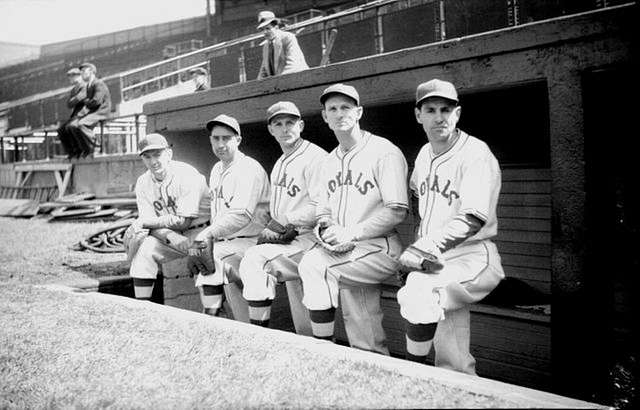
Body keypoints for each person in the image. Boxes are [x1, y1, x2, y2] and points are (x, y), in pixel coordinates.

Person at [396, 79, 504, 374]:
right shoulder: (423, 154)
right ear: (418, 115)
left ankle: (411, 376)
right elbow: (418, 196)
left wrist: (424, 247)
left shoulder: (475, 153)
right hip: (438, 258)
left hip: (474, 255)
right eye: (430, 109)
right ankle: (450, 384)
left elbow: (473, 218)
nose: (439, 116)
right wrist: (419, 245)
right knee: (452, 357)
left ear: (457, 113)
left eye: (446, 109)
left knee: (420, 292)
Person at [297, 84, 409, 354]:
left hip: (380, 247)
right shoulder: (328, 161)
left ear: (358, 112)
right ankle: (372, 361)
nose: (339, 113)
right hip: (347, 251)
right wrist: (326, 229)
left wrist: (351, 233)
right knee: (363, 325)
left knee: (314, 265)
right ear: (324, 117)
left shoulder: (384, 152)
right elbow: (322, 211)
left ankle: (321, 351)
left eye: (345, 107)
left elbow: (397, 210)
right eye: (332, 109)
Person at [239, 101, 327, 334]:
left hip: (313, 237)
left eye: (290, 123)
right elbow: (282, 205)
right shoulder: (280, 162)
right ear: (271, 130)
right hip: (290, 239)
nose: (285, 128)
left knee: (254, 260)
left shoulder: (316, 157)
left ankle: (258, 337)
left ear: (301, 125)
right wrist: (268, 216)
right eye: (278, 124)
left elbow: (322, 205)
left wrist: (282, 222)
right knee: (300, 307)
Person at [191, 114, 270, 319]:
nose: (220, 143)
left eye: (226, 138)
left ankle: (211, 325)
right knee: (241, 318)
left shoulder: (248, 168)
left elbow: (240, 216)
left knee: (212, 264)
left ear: (238, 140)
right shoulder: (217, 168)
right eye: (216, 138)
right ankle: (223, 322)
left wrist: (204, 236)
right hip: (228, 243)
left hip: (252, 242)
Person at [125, 133, 211, 301]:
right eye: (147, 157)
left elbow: (183, 222)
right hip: (169, 236)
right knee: (144, 252)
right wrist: (169, 235)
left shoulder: (187, 174)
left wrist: (144, 223)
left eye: (157, 154)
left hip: (201, 234)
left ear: (169, 154)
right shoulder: (143, 182)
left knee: (205, 276)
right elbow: (148, 225)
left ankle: (215, 318)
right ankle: (142, 311)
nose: (153, 161)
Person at [64, 62, 112, 157]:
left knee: (81, 124)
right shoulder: (90, 85)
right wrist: (88, 102)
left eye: (84, 71)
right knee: (72, 126)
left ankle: (96, 147)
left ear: (91, 71)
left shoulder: (98, 83)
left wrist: (86, 101)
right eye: (81, 71)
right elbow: (89, 102)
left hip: (101, 112)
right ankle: (86, 149)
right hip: (93, 112)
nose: (81, 73)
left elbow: (96, 101)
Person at [256, 11, 308, 80]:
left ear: (276, 27)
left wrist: (277, 83)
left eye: (268, 28)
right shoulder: (266, 46)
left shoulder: (288, 37)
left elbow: (293, 65)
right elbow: (264, 71)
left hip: (301, 79)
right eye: (262, 30)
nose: (265, 32)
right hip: (281, 85)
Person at [57, 67, 86, 159]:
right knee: (61, 130)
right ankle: (72, 152)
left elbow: (79, 100)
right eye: (69, 77)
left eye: (72, 76)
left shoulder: (85, 86)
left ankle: (82, 149)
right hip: (76, 115)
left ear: (79, 76)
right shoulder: (74, 90)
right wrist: (76, 99)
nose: (70, 79)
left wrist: (76, 99)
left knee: (72, 127)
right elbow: (69, 104)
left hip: (85, 113)